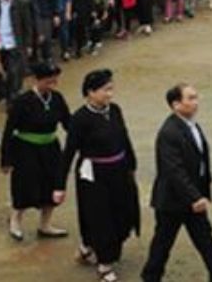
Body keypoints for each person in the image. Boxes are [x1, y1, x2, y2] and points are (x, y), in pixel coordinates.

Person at [141, 83, 212, 282]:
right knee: (163, 242)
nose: (195, 103)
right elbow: (174, 171)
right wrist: (195, 196)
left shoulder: (190, 125)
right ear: (176, 104)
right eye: (190, 98)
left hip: (192, 196)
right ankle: (150, 277)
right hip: (173, 200)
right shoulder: (169, 132)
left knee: (205, 237)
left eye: (196, 97)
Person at [62, 69, 140, 282]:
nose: (110, 94)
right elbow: (69, 152)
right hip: (95, 176)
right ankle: (104, 263)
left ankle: (88, 247)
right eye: (105, 90)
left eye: (111, 89)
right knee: (101, 218)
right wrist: (59, 185)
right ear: (90, 92)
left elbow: (124, 137)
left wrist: (131, 164)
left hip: (120, 170)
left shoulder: (115, 110)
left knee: (124, 214)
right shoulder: (80, 119)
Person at [2, 61, 72, 241]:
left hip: (50, 148)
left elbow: (68, 122)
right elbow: (9, 130)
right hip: (26, 149)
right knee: (24, 185)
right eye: (48, 81)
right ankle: (16, 220)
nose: (52, 85)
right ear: (36, 80)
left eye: (54, 81)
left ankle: (45, 224)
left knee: (52, 184)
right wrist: (6, 159)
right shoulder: (21, 102)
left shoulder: (57, 98)